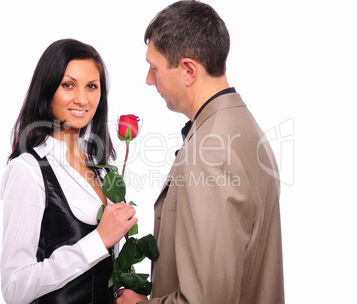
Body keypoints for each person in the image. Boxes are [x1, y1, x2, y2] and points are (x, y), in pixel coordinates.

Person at [117, 1, 285, 303]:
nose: (148, 79)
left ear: (189, 70)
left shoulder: (211, 154)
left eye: (154, 68)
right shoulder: (244, 128)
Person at [0, 39, 137, 304]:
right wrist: (97, 241)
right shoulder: (27, 170)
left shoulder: (101, 166)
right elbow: (14, 288)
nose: (82, 99)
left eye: (92, 86)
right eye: (68, 85)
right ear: (47, 90)